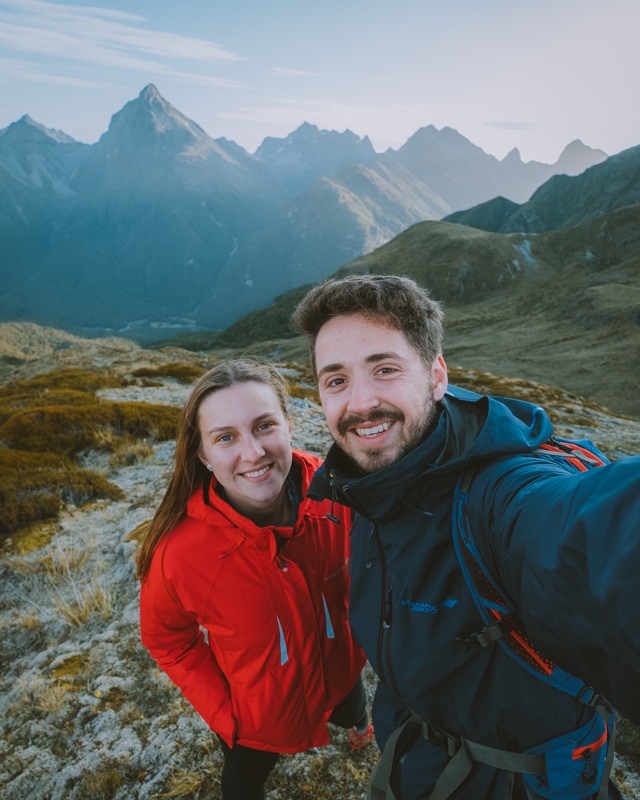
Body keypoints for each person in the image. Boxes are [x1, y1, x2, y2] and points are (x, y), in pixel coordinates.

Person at [291, 274, 640, 800]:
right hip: (418, 765)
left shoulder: (498, 496)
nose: (360, 403)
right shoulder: (366, 486)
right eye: (335, 380)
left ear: (436, 377)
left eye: (384, 369)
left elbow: (586, 537)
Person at [137, 359, 372, 800]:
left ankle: (361, 726)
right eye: (226, 437)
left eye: (264, 426)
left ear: (288, 424)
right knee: (244, 781)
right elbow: (167, 639)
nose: (253, 452)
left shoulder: (339, 495)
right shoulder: (179, 554)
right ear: (203, 455)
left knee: (353, 705)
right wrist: (227, 715)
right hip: (258, 717)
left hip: (340, 670)